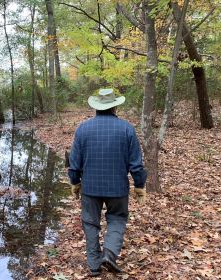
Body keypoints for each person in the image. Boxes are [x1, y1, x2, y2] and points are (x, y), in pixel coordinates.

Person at [68, 88, 147, 277]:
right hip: (117, 187)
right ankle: (109, 254)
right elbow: (136, 163)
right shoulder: (127, 128)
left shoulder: (83, 129)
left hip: (90, 188)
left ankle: (94, 266)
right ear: (115, 107)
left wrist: (75, 181)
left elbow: (74, 162)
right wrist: (139, 185)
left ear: (96, 107)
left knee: (90, 222)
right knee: (117, 219)